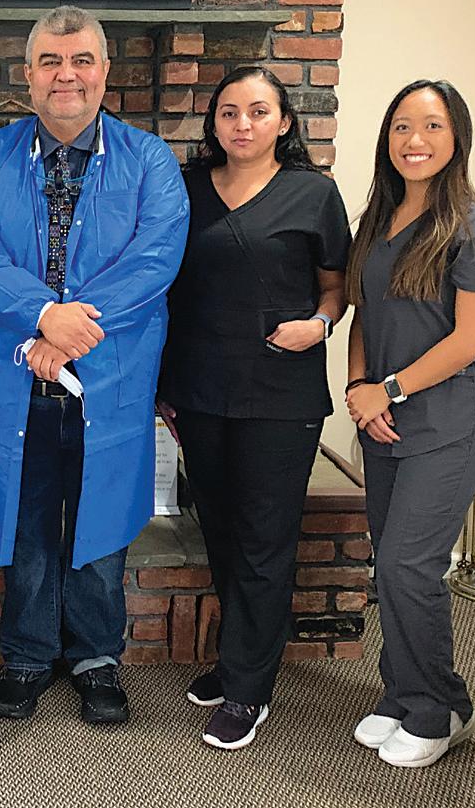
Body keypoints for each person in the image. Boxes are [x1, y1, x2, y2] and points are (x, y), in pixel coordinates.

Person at [0, 6, 189, 726]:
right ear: (27, 75)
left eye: (81, 60)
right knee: (26, 520)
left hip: (109, 377)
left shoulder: (150, 162)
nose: (66, 75)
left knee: (99, 519)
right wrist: (43, 316)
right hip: (13, 376)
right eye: (50, 62)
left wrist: (66, 331)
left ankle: (95, 657)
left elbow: (154, 260)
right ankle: (26, 654)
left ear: (105, 71)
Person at [156, 66, 351, 750]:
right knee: (221, 532)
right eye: (229, 111)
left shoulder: (313, 194)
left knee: (266, 538)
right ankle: (242, 656)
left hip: (279, 392)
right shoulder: (185, 189)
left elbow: (336, 289)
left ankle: (248, 689)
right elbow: (167, 289)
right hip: (201, 390)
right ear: (214, 122)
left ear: (284, 121)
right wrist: (165, 389)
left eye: (259, 111)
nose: (243, 124)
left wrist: (318, 326)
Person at [343, 79, 475, 769]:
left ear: (457, 137)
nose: (415, 140)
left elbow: (471, 339)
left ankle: (441, 710)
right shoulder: (377, 220)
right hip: (384, 419)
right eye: (402, 126)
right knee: (390, 566)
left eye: (433, 126)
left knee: (409, 566)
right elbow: (363, 313)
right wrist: (359, 387)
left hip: (450, 424)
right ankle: (404, 693)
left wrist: (387, 389)